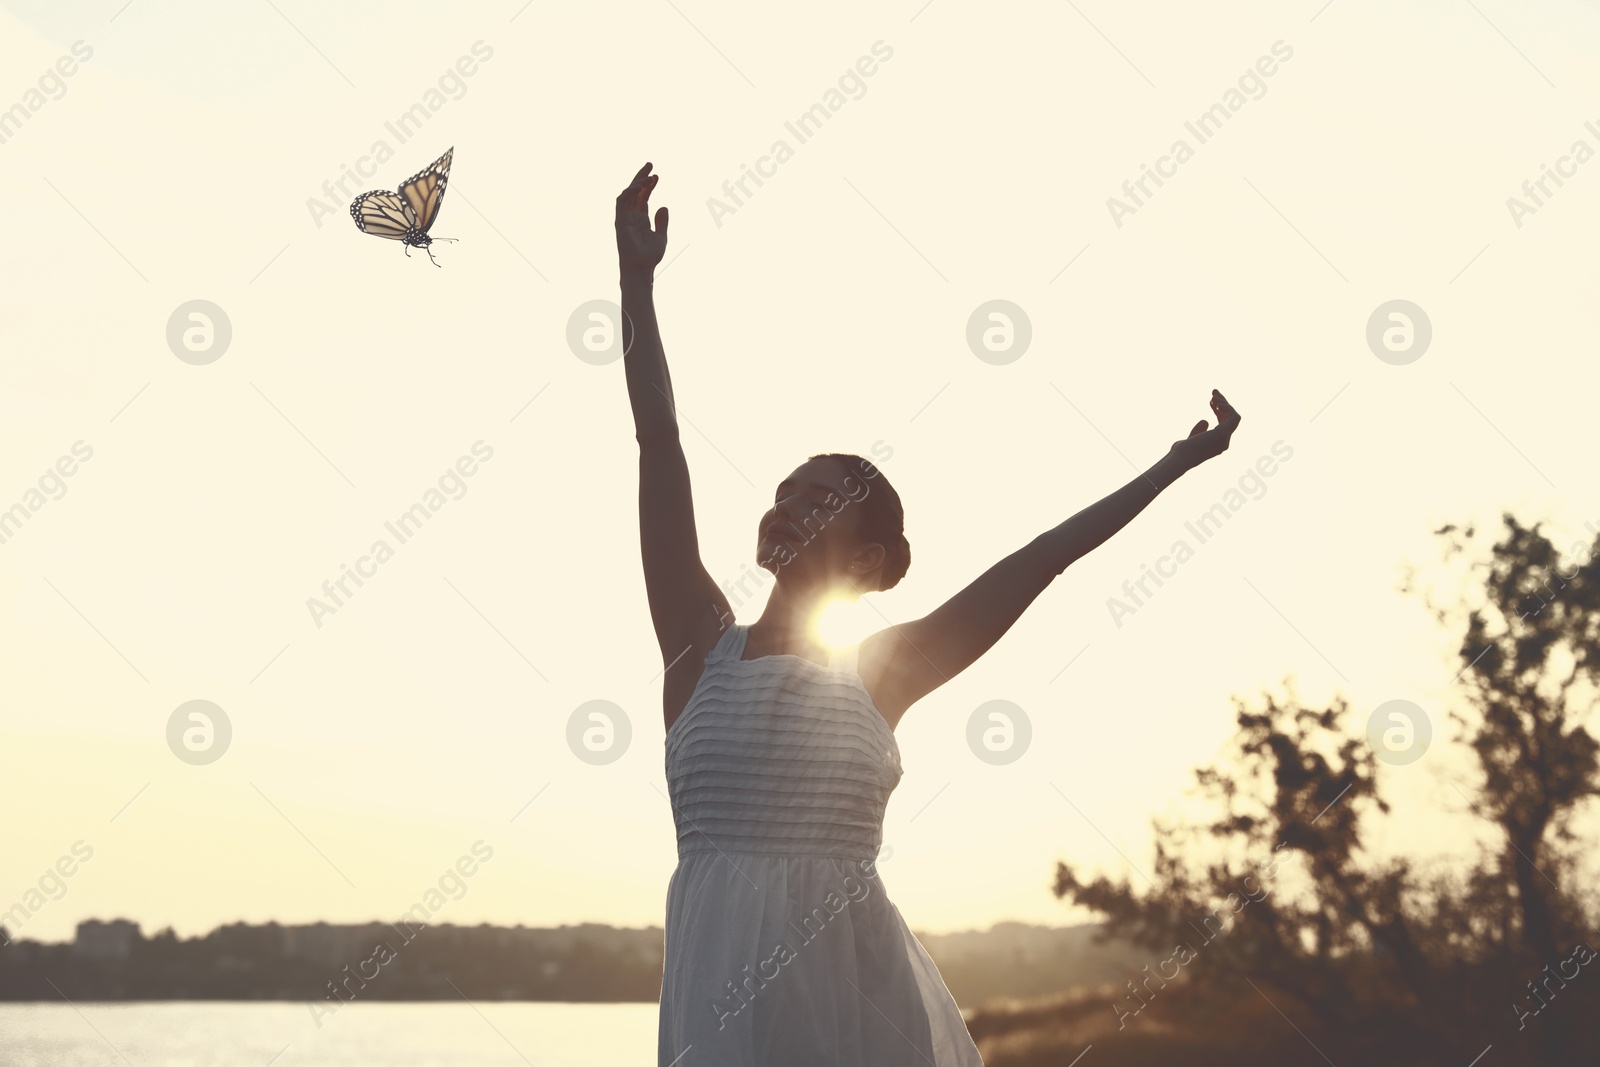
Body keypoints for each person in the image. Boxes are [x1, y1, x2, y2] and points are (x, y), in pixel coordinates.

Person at [615, 161, 1241, 1066]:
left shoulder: (885, 672)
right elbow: (658, 439)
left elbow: (1045, 556)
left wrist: (1174, 465)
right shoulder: (697, 650)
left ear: (868, 560)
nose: (783, 504)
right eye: (783, 489)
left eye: (816, 501)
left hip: (859, 1011)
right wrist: (636, 282)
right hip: (716, 1010)